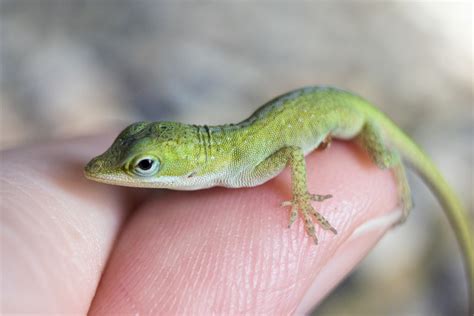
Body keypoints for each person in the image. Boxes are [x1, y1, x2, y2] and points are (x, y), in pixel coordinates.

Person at [1, 134, 401, 314]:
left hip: (352, 121)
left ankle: (397, 166)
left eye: (143, 167)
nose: (100, 168)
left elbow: (295, 150)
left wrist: (299, 195)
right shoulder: (219, 164)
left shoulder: (245, 166)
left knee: (379, 167)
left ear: (190, 169)